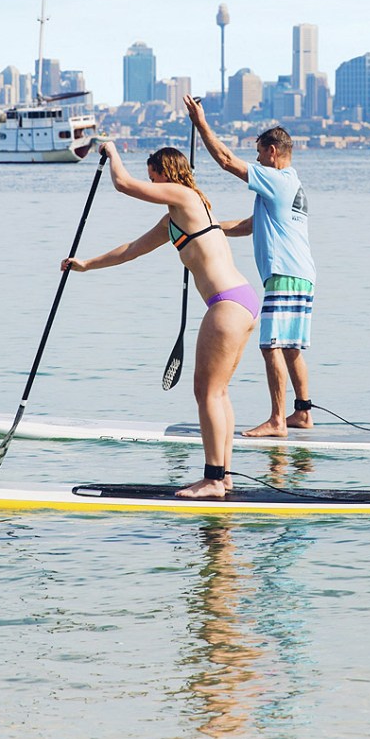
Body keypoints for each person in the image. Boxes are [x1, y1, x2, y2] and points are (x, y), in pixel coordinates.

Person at [61, 140, 258, 499]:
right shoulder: (176, 216)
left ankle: (213, 480)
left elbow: (122, 184)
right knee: (218, 392)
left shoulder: (184, 196)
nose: (151, 185)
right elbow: (131, 250)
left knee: (207, 392)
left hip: (227, 304)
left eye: (153, 177)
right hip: (241, 300)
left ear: (166, 173)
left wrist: (112, 151)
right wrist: (86, 264)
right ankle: (224, 476)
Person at [185, 96, 316, 438]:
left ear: (273, 152)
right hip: (301, 274)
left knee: (269, 344)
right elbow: (252, 224)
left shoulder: (278, 179)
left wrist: (201, 124)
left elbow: (227, 160)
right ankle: (302, 413)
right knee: (289, 346)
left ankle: (277, 420)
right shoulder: (290, 185)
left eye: (259, 152)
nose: (256, 159)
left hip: (285, 273)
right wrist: (212, 228)